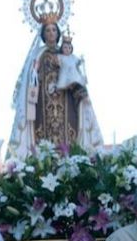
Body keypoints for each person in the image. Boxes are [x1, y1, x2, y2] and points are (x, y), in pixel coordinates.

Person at [8, 21, 103, 159]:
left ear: (58, 33)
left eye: (54, 30)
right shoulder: (38, 55)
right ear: (43, 34)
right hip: (43, 104)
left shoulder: (65, 54)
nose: (51, 33)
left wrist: (80, 92)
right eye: (48, 30)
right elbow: (31, 78)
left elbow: (74, 76)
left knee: (68, 139)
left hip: (66, 103)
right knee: (44, 143)